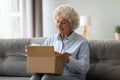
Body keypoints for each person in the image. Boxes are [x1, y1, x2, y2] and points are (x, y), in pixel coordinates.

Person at [30, 4, 90, 80]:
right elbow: (42, 59)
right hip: (52, 74)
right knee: (35, 77)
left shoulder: (82, 42)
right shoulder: (51, 39)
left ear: (72, 24)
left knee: (46, 79)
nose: (59, 25)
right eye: (57, 21)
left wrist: (66, 59)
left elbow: (84, 68)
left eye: (63, 23)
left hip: (72, 76)